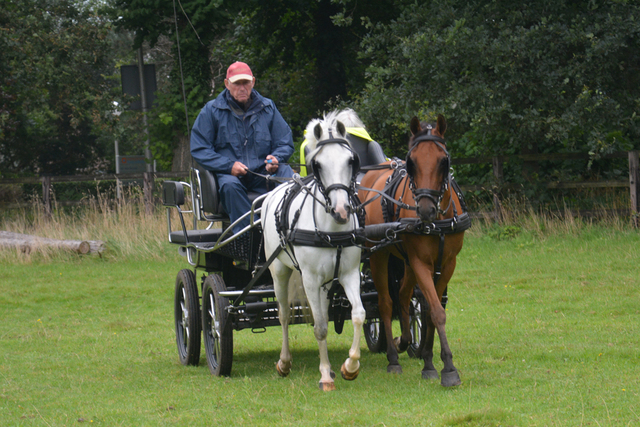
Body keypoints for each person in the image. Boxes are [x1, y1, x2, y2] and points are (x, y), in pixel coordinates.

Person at [190, 61, 295, 233]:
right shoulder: (211, 111)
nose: (242, 87)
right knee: (230, 186)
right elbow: (199, 148)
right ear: (227, 84)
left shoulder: (268, 108)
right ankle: (251, 238)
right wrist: (228, 166)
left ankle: (289, 231)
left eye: (245, 83)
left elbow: (284, 141)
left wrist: (276, 158)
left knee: (287, 175)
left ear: (253, 82)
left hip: (263, 174)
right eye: (237, 83)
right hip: (231, 176)